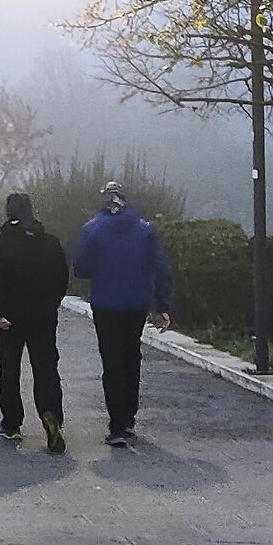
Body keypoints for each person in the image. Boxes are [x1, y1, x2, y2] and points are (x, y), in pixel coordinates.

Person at [72, 180, 172, 447]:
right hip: (136, 304)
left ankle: (117, 425)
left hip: (106, 304)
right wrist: (162, 306)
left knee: (112, 363)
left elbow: (80, 267)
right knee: (132, 358)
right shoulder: (145, 230)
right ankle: (129, 419)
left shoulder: (92, 231)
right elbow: (161, 268)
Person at [0, 191, 71, 453]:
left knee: (10, 370)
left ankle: (11, 423)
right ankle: (50, 413)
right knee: (46, 369)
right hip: (43, 317)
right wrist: (51, 304)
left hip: (10, 319)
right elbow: (61, 277)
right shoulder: (50, 242)